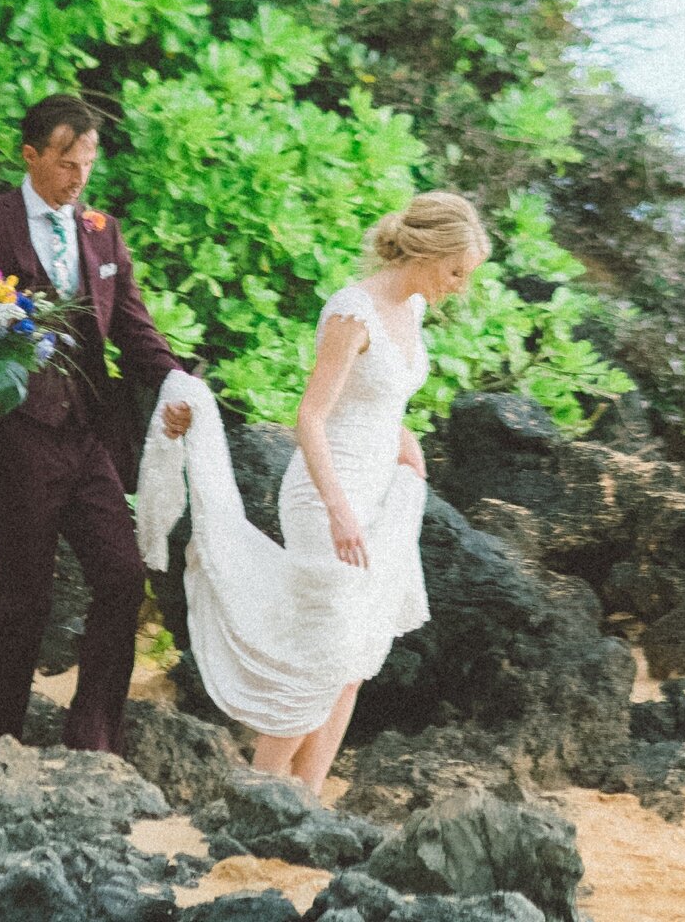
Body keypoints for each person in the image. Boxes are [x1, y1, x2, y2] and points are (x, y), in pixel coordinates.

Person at [139, 191, 489, 791]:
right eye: (456, 271)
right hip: (328, 495)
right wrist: (339, 510)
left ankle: (305, 800)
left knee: (352, 661)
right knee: (319, 655)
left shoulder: (410, 310)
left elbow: (377, 393)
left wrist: (403, 434)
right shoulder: (354, 312)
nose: (459, 286)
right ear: (429, 251)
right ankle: (261, 791)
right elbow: (311, 417)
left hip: (378, 490)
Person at [0, 92, 189, 752]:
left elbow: (132, 325)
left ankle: (93, 735)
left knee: (121, 576)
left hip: (87, 432)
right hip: (16, 434)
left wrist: (175, 379)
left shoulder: (102, 233)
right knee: (24, 597)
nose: (79, 179)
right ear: (31, 156)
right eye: (66, 164)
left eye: (88, 164)